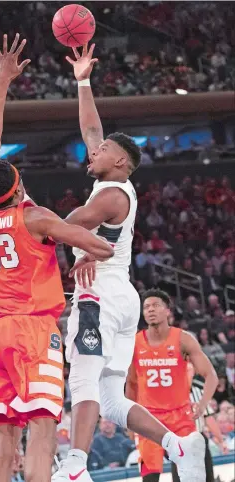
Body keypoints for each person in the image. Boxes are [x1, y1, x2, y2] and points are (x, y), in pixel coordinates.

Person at [52, 44, 206, 482]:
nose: (90, 152)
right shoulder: (113, 182)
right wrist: (82, 81)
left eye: (99, 151)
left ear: (119, 161)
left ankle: (76, 468)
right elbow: (91, 129)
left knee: (81, 383)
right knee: (112, 399)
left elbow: (63, 223)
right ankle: (178, 444)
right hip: (120, 296)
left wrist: (74, 245)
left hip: (99, 295)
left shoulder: (112, 194)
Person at [0, 34, 113, 482]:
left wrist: (2, 84)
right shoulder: (36, 218)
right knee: (44, 425)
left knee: (5, 437)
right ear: (17, 187)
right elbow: (101, 246)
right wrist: (81, 254)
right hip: (34, 329)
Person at [126, 289, 219, 482]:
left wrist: (202, 404)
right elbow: (131, 385)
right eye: (146, 307)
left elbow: (211, 375)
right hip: (148, 419)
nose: (150, 310)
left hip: (180, 418)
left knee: (187, 477)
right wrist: (129, 420)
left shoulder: (183, 339)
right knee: (149, 478)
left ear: (168, 311)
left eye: (156, 305)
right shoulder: (134, 342)